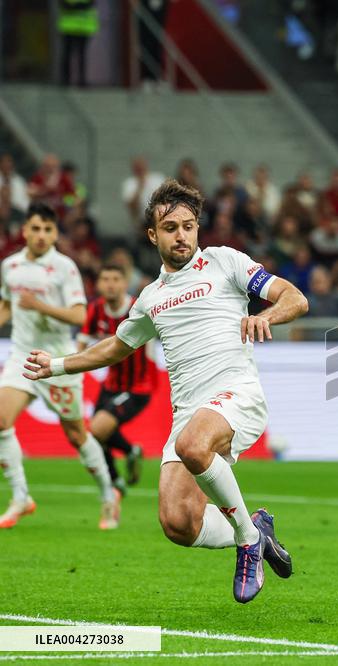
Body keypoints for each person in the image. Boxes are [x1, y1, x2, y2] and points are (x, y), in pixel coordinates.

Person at [24, 181, 307, 602]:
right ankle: (256, 528)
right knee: (179, 523)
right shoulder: (151, 298)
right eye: (170, 227)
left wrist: (267, 315)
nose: (181, 235)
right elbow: (116, 347)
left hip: (236, 393)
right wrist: (58, 365)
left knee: (194, 445)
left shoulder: (225, 262)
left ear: (198, 229)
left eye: (189, 226)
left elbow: (294, 297)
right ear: (153, 235)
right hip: (189, 411)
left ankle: (247, 540)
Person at [0, 203, 120, 529]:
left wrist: (39, 305)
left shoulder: (64, 267)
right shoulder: (9, 265)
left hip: (56, 362)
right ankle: (21, 496)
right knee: (1, 420)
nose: (41, 235)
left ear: (55, 233)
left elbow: (79, 315)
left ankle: (109, 495)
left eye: (47, 230)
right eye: (35, 228)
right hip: (21, 357)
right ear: (24, 230)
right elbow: (8, 306)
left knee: (77, 435)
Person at [77, 264, 159, 501]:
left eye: (115, 279)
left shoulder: (138, 307)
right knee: (94, 437)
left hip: (138, 387)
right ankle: (117, 480)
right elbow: (81, 343)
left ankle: (126, 455)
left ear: (124, 283)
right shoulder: (95, 310)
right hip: (111, 384)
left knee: (97, 430)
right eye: (105, 279)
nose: (110, 284)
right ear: (99, 284)